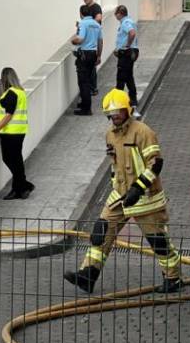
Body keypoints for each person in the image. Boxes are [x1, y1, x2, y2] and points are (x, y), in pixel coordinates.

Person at [64, 89, 182, 295]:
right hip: (119, 194)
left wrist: (138, 188)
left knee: (158, 241)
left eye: (118, 111)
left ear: (127, 109)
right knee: (101, 233)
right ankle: (88, 275)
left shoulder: (143, 132)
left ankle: (173, 278)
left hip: (145, 198)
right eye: (111, 113)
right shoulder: (110, 134)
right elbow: (115, 163)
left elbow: (155, 164)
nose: (114, 116)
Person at [0, 67, 33, 200]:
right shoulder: (20, 92)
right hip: (20, 131)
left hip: (10, 132)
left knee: (8, 159)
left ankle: (24, 185)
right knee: (17, 160)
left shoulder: (11, 93)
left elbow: (9, 115)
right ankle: (19, 189)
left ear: (4, 79)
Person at [71, 4, 102, 116]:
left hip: (84, 55)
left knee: (83, 82)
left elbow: (80, 39)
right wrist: (99, 56)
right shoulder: (96, 24)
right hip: (93, 54)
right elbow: (100, 42)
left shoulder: (82, 23)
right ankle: (85, 105)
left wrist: (73, 41)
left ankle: (86, 108)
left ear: (81, 13)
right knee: (88, 81)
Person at [112, 5, 141, 116]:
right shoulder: (129, 21)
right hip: (128, 52)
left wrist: (126, 46)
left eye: (116, 13)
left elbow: (132, 33)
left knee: (121, 78)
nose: (115, 15)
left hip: (126, 54)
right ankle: (133, 102)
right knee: (129, 77)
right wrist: (118, 49)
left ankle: (118, 103)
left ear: (120, 13)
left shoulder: (125, 23)